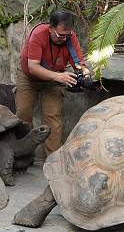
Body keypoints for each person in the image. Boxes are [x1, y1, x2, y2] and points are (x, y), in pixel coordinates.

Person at [16, 10, 90, 154]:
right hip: (29, 77)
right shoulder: (38, 35)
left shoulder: (70, 37)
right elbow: (33, 67)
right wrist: (59, 77)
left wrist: (84, 73)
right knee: (23, 114)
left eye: (67, 35)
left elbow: (78, 63)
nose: (64, 38)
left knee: (53, 118)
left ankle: (52, 160)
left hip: (54, 79)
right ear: (50, 28)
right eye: (60, 35)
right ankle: (22, 157)